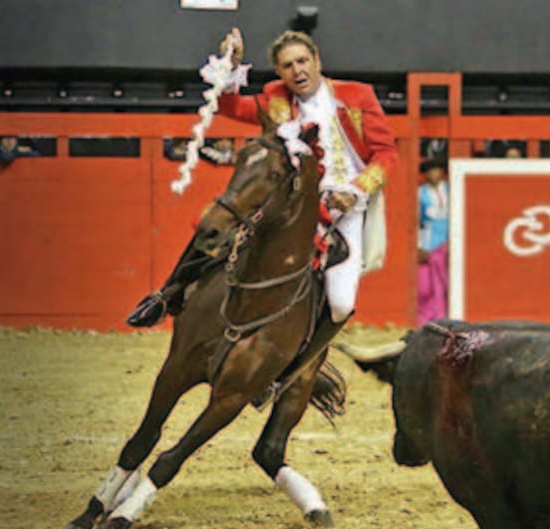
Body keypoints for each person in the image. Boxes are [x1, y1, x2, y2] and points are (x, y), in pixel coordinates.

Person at [127, 28, 399, 360]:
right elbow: (230, 106)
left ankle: (296, 364)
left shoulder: (357, 95)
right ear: (280, 73)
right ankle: (166, 296)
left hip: (344, 208)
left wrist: (356, 192)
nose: (297, 70)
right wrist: (232, 64)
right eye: (287, 66)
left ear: (317, 61)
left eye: (302, 61)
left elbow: (386, 154)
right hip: (289, 201)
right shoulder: (276, 98)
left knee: (341, 304)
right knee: (217, 225)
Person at [416, 157, 449, 325]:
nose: (432, 174)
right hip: (430, 243)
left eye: (435, 170)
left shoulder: (451, 189)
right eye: (429, 171)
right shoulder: (420, 193)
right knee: (427, 287)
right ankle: (429, 320)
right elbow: (416, 221)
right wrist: (419, 245)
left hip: (450, 242)